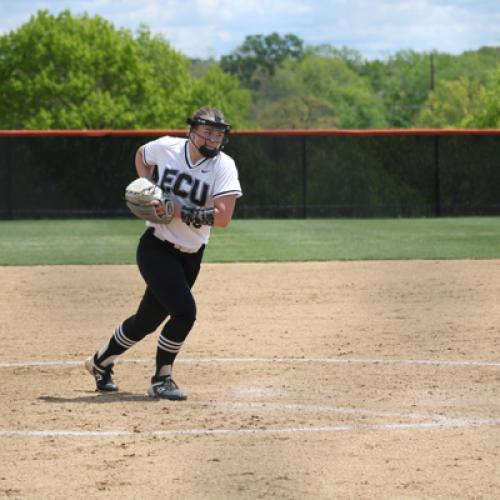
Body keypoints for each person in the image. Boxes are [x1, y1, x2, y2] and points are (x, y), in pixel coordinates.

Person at [85, 106, 242, 400]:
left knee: (146, 321)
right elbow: (141, 155)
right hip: (156, 247)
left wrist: (178, 211)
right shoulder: (167, 147)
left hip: (191, 254)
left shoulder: (224, 166)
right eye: (208, 132)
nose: (213, 140)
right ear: (191, 131)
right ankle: (161, 378)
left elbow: (223, 218)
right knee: (185, 312)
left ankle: (100, 362)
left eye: (218, 135)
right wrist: (149, 187)